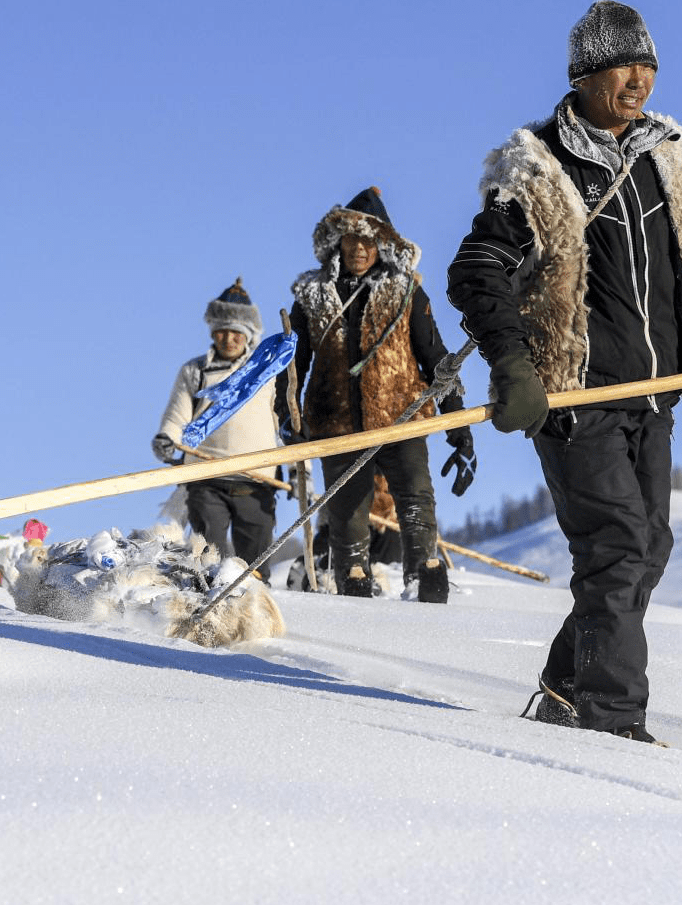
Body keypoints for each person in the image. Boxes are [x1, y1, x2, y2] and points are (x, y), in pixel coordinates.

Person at [446, 1, 682, 743]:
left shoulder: (665, 159)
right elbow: (479, 269)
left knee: (650, 549)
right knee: (616, 550)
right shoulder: (538, 167)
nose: (639, 80)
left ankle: (566, 688)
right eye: (623, 66)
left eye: (649, 67)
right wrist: (512, 364)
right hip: (574, 395)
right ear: (585, 75)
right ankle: (610, 724)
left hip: (652, 395)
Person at [278, 186, 474, 603]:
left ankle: (426, 579)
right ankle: (355, 593)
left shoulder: (406, 292)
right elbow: (292, 365)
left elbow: (437, 359)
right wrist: (287, 416)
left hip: (401, 417)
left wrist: (460, 428)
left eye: (369, 240)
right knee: (348, 517)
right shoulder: (311, 296)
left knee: (416, 500)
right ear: (338, 241)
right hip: (337, 424)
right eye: (352, 239)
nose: (360, 249)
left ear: (382, 244)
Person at [152, 279, 280, 565]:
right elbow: (178, 414)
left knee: (255, 564)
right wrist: (167, 438)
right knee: (210, 558)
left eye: (237, 332)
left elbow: (284, 426)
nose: (229, 339)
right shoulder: (195, 370)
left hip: (257, 479)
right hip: (206, 477)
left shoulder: (267, 373)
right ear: (213, 332)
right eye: (222, 331)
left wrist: (301, 472)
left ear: (249, 335)